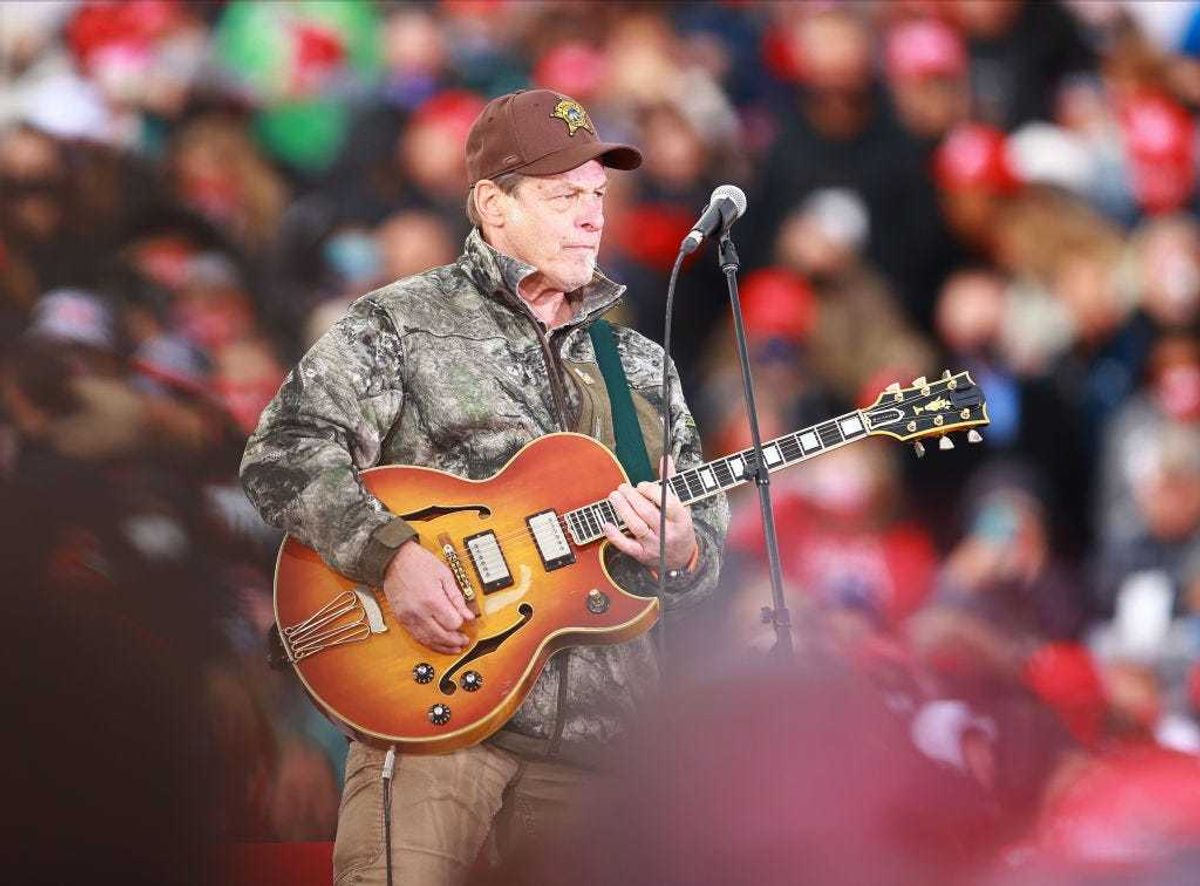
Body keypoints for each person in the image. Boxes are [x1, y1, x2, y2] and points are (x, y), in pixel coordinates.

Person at [239, 88, 729, 885]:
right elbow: (284, 450)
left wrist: (683, 551)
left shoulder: (639, 365)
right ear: (493, 207)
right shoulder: (401, 322)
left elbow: (699, 547)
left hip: (603, 755)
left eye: (597, 196)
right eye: (563, 194)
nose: (590, 216)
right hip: (436, 728)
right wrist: (392, 556)